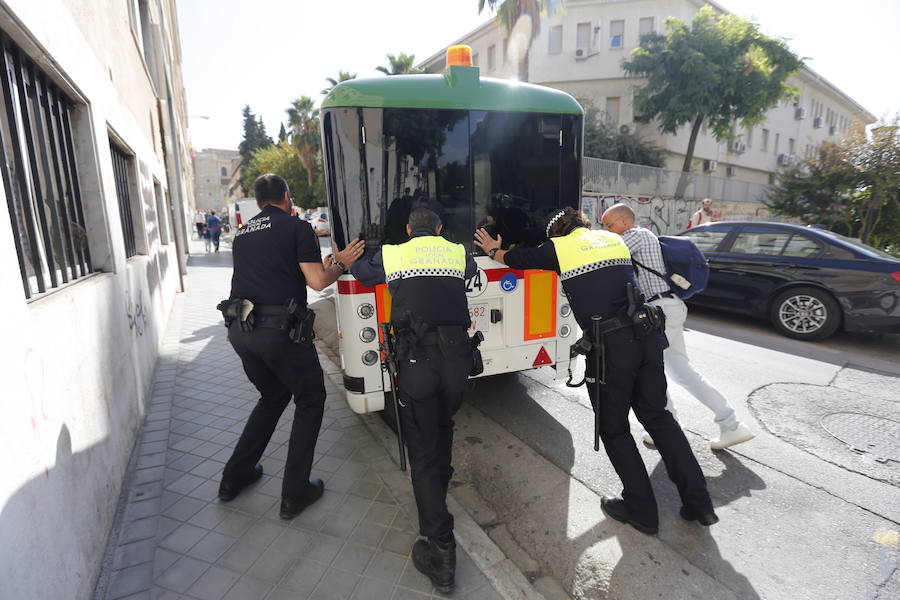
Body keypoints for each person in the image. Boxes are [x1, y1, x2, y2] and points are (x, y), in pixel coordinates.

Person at [475, 207, 717, 535]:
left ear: (556, 234)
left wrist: (491, 247)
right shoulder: (612, 239)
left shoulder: (557, 248)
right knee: (659, 418)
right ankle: (699, 503)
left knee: (614, 428)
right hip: (647, 336)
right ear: (585, 224)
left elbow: (515, 260)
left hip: (612, 348)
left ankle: (641, 509)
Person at [216, 173, 365, 520]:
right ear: (286, 196)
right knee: (311, 400)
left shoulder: (242, 234)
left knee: (272, 397)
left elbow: (274, 274)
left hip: (241, 331)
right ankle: (294, 493)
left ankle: (233, 477)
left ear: (258, 201)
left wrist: (326, 267)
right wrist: (342, 262)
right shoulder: (296, 227)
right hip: (279, 333)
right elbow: (316, 282)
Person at [351, 207, 476, 593]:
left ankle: (440, 550)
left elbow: (361, 273)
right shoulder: (457, 252)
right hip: (457, 360)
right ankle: (440, 484)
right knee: (444, 425)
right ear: (439, 229)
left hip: (418, 362)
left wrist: (345, 258)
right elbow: (471, 274)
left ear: (408, 229)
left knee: (421, 451)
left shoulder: (394, 252)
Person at [601, 203, 754, 450]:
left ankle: (730, 424)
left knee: (678, 372)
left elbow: (605, 255)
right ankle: (673, 426)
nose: (606, 230)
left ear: (625, 222)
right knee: (660, 371)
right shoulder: (636, 237)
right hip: (661, 309)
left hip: (661, 309)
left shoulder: (636, 236)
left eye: (609, 224)